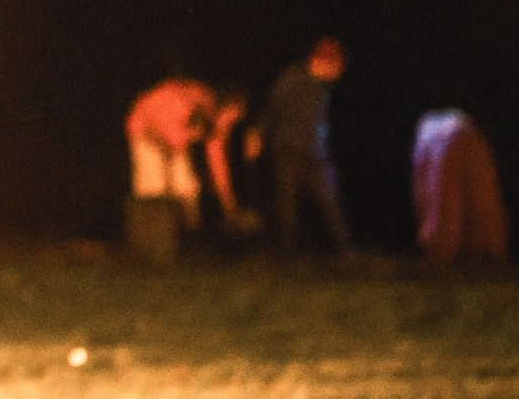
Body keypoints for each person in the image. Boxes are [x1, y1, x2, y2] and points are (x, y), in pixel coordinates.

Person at [252, 36, 354, 256]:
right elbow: (272, 109)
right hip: (288, 150)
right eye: (336, 65)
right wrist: (258, 136)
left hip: (316, 153)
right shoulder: (291, 79)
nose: (339, 71)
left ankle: (347, 251)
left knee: (330, 200)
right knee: (286, 202)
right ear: (321, 61)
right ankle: (286, 252)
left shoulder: (324, 85)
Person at [123, 78, 247, 255]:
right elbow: (157, 125)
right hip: (145, 130)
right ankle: (151, 248)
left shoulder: (211, 120)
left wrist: (228, 202)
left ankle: (188, 241)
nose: (230, 125)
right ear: (226, 106)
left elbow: (216, 160)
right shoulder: (187, 101)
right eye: (231, 117)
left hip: (176, 135)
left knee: (187, 186)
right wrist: (186, 137)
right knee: (153, 188)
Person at [409, 110, 507, 264]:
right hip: (469, 129)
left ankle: (443, 253)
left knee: (443, 202)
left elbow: (426, 193)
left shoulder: (425, 131)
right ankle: (488, 252)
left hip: (440, 136)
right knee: (481, 198)